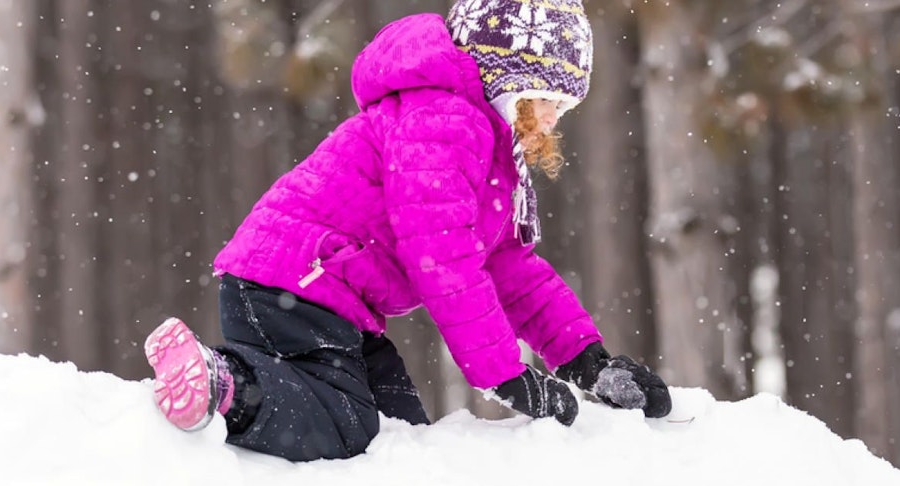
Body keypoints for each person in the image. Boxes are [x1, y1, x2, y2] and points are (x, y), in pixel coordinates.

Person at [143, 0, 672, 463]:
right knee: (348, 425)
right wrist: (505, 374)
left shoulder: (478, 144)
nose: (554, 121)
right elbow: (443, 258)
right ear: (511, 83)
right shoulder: (445, 121)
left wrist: (586, 360)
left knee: (402, 438)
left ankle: (230, 381)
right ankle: (222, 383)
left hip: (325, 299)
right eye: (549, 102)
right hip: (291, 286)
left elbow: (511, 270)